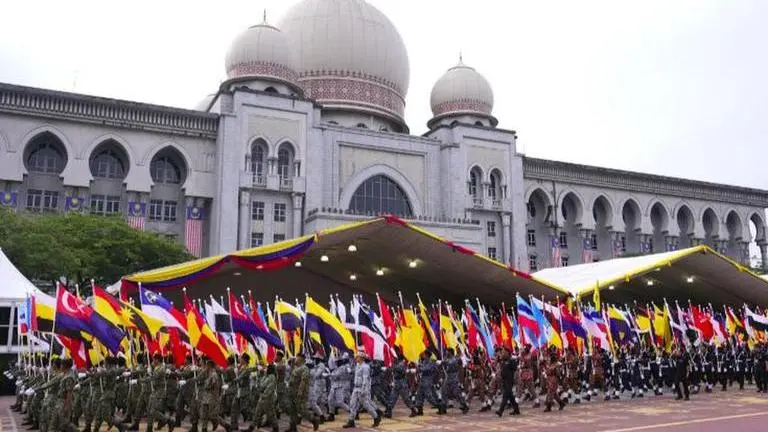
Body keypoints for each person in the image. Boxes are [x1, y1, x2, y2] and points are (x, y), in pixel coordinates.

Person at [343, 351, 382, 428]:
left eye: (357, 357)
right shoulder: (357, 365)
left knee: (366, 405)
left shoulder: (366, 367)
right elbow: (354, 373)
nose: (356, 358)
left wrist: (364, 390)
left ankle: (376, 417)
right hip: (356, 387)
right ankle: (351, 421)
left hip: (362, 388)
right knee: (352, 404)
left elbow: (365, 379)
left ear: (361, 358)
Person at [286, 352, 319, 432]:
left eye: (296, 357)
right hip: (292, 393)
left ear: (301, 359)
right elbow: (290, 376)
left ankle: (314, 420)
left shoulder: (304, 368)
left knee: (302, 410)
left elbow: (303, 381)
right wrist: (292, 365)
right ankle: (292, 427)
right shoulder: (295, 368)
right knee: (292, 410)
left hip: (299, 393)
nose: (295, 359)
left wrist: (300, 392)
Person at [440, 348, 468, 414]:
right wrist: (441, 363)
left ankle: (464, 405)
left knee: (456, 393)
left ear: (450, 352)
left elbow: (450, 363)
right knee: (444, 391)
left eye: (447, 351)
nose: (446, 353)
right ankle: (443, 408)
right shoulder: (446, 359)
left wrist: (443, 362)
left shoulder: (455, 359)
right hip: (448, 377)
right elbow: (443, 366)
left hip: (454, 378)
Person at [495, 348, 520, 417]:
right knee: (510, 396)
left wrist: (515, 379)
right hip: (504, 380)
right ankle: (516, 409)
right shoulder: (503, 361)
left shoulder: (511, 361)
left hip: (509, 381)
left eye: (504, 352)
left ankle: (500, 410)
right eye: (502, 352)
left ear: (508, 353)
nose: (502, 354)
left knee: (505, 396)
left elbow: (515, 369)